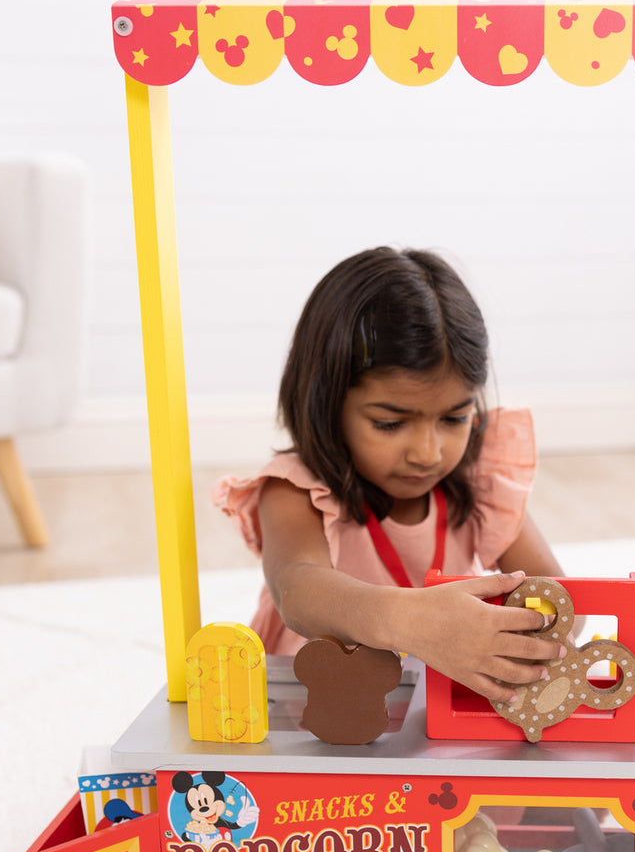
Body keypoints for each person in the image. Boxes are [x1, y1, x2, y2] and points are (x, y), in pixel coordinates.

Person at [213, 246, 566, 704]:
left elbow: (559, 596)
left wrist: (524, 639)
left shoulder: (481, 482)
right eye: (390, 423)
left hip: (438, 710)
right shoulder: (295, 489)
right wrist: (413, 623)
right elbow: (296, 588)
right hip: (317, 708)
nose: (428, 453)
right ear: (327, 402)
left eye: (454, 419)